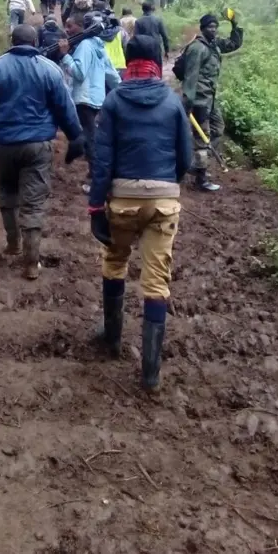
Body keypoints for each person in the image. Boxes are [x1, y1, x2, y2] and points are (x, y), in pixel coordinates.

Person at [88, 35, 192, 391]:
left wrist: (95, 206)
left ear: (128, 61)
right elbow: (186, 159)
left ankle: (113, 339)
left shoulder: (115, 101)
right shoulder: (173, 102)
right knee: (156, 281)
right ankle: (150, 374)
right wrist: (165, 183)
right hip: (164, 200)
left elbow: (102, 161)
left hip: (122, 199)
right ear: (158, 61)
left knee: (115, 260)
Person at [0, 25, 83, 279]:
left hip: (2, 144)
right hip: (38, 145)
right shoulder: (49, 69)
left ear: (11, 41)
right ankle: (31, 262)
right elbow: (64, 107)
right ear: (35, 42)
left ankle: (12, 244)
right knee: (33, 202)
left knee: (8, 192)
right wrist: (76, 136)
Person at [173, 10, 243, 192]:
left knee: (217, 129)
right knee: (202, 138)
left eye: (215, 27)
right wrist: (187, 103)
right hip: (199, 100)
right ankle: (201, 179)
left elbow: (234, 43)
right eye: (210, 27)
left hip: (210, 99)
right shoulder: (198, 48)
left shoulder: (214, 45)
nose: (213, 30)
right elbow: (191, 77)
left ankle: (196, 165)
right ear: (203, 29)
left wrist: (235, 23)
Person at [57, 12, 120, 188]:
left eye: (70, 26)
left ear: (82, 27)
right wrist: (122, 91)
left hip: (84, 98)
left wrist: (64, 56)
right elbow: (112, 74)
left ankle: (96, 179)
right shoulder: (98, 45)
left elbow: (79, 73)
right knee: (90, 134)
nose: (67, 30)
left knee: (90, 137)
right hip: (96, 98)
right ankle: (84, 159)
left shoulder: (84, 45)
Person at [99, 11, 126, 78]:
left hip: (104, 66)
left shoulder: (98, 34)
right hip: (120, 66)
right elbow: (127, 49)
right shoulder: (121, 32)